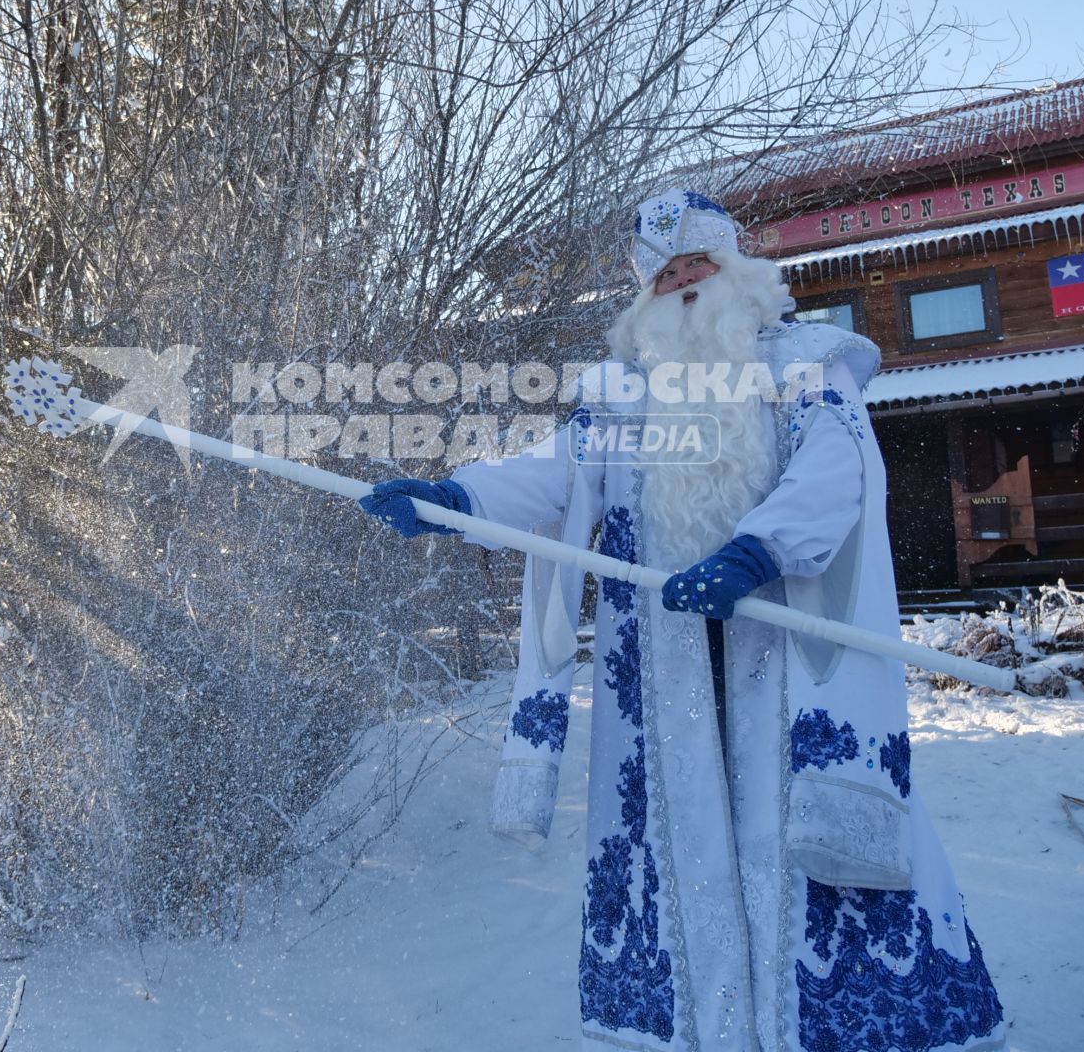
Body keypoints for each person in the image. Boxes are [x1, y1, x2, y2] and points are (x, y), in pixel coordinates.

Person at [361, 189, 1006, 1052]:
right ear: (644, 296)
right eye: (665, 274)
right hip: (662, 671)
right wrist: (457, 499)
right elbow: (554, 475)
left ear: (737, 268)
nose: (684, 283)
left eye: (698, 263)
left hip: (780, 650)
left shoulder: (808, 364)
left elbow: (836, 468)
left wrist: (758, 551)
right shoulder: (621, 397)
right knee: (676, 837)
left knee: (797, 841)